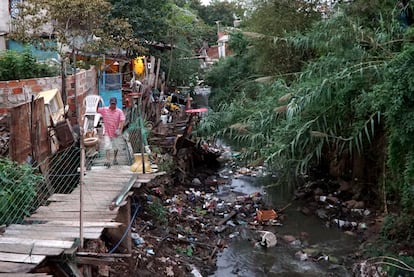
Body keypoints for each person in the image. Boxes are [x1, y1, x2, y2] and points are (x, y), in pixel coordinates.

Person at [98, 97, 125, 168]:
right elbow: (96, 110)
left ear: (116, 104)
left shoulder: (119, 111)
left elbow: (122, 121)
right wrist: (98, 101)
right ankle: (108, 161)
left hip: (115, 132)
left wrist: (120, 130)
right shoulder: (104, 110)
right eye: (112, 104)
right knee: (107, 146)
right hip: (107, 131)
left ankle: (115, 158)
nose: (113, 105)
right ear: (110, 103)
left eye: (114, 104)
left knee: (116, 147)